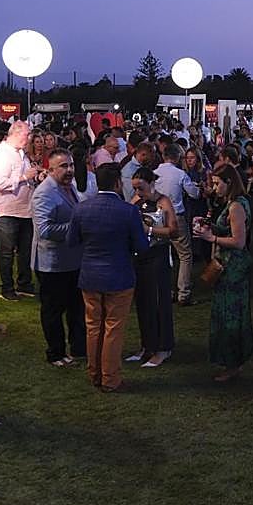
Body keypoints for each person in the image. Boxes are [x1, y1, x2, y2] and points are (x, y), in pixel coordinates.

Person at [67, 163, 148, 393]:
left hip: (90, 275)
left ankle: (94, 373)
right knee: (113, 328)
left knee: (93, 326)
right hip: (119, 276)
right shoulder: (128, 211)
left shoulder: (82, 209)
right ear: (117, 183)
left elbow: (72, 241)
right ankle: (110, 378)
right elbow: (141, 246)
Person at [193, 164, 253, 381]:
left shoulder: (236, 206)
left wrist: (212, 238)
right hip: (230, 265)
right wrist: (209, 227)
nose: (214, 187)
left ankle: (233, 364)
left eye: (218, 183)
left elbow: (238, 241)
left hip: (232, 266)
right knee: (235, 315)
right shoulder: (232, 203)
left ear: (229, 182)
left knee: (230, 317)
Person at [31, 149, 87, 368]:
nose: (70, 170)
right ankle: (55, 352)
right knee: (54, 310)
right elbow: (45, 229)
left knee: (76, 307)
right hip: (52, 263)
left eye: (71, 165)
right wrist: (77, 228)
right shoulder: (44, 193)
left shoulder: (70, 188)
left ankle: (78, 348)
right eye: (64, 166)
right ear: (51, 169)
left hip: (72, 260)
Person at [0, 120, 42, 302]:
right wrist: (25, 176)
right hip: (5, 210)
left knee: (25, 250)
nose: (29, 139)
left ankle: (24, 284)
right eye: (27, 135)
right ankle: (7, 288)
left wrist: (34, 176)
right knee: (6, 252)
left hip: (24, 209)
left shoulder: (20, 154)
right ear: (16, 134)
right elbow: (1, 184)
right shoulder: (1, 155)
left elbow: (24, 178)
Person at [128, 167, 177, 368]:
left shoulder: (163, 202)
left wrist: (150, 230)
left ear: (151, 183)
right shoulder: (135, 201)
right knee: (143, 301)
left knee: (159, 301)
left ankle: (163, 347)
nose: (138, 192)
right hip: (140, 257)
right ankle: (147, 345)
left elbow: (174, 231)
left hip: (157, 256)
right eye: (135, 188)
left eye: (141, 187)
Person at [154, 144, 200, 305]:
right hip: (176, 216)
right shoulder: (180, 174)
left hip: (158, 217)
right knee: (185, 255)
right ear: (177, 158)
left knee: (165, 255)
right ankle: (183, 293)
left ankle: (168, 290)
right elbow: (194, 194)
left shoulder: (155, 174)